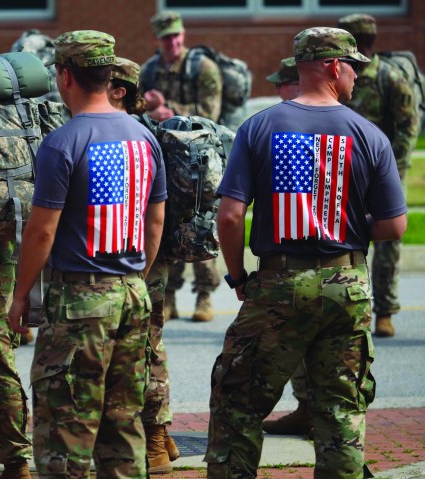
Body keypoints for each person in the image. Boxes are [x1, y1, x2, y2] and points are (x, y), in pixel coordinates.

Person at [204, 27, 407, 479]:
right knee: (340, 412)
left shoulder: (259, 127)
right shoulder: (368, 134)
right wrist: (349, 229)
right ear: (333, 67)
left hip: (279, 285)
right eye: (353, 66)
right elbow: (394, 225)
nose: (357, 75)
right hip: (347, 286)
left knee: (238, 403)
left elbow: (230, 217)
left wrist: (237, 276)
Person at [8, 30, 166, 478]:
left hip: (79, 300)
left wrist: (21, 295)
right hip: (133, 293)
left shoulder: (62, 142)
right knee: (123, 425)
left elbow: (41, 232)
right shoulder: (143, 137)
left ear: (65, 77)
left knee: (66, 430)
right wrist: (134, 277)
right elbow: (155, 222)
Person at [107, 56, 180, 473]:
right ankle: (161, 436)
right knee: (145, 344)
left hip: (142, 258)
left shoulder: (139, 135)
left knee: (145, 345)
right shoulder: (136, 131)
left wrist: (142, 268)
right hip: (135, 255)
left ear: (121, 91)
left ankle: (153, 438)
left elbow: (156, 212)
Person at [337, 13, 419, 338]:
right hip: (345, 173)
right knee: (344, 239)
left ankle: (385, 311)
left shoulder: (389, 78)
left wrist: (392, 169)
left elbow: (408, 126)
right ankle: (348, 306)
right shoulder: (341, 75)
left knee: (387, 244)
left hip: (383, 172)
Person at [140, 10, 223, 323]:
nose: (172, 42)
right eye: (166, 37)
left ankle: (204, 295)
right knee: (168, 224)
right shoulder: (149, 70)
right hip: (164, 157)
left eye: (176, 36)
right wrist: (147, 106)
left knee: (199, 221)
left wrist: (169, 111)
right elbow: (135, 110)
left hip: (200, 158)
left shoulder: (203, 67)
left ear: (183, 35)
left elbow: (210, 112)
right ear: (157, 39)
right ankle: (169, 294)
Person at [259, 56, 314, 437]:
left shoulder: (296, 129)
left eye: (283, 83)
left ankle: (318, 411)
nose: (278, 90)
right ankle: (308, 407)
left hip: (313, 255)